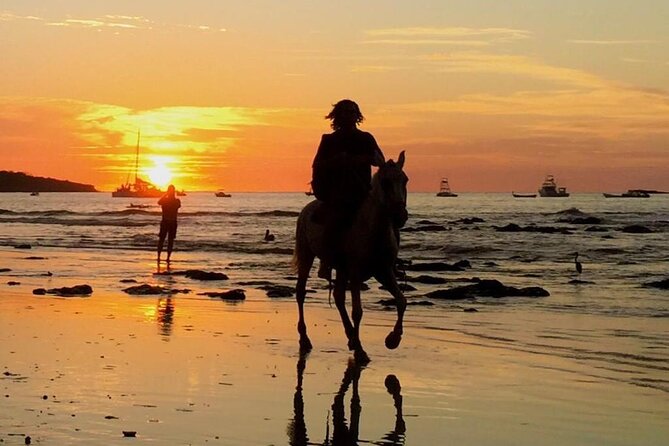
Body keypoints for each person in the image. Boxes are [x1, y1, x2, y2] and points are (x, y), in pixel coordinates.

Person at [311, 99, 385, 278]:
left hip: (363, 190)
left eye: (352, 112)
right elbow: (317, 165)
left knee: (386, 219)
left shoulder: (366, 138)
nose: (349, 115)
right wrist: (336, 161)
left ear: (357, 115)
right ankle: (327, 261)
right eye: (345, 112)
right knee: (335, 221)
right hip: (338, 193)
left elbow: (380, 160)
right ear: (338, 116)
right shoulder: (329, 140)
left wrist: (362, 159)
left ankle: (387, 260)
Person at [157, 184, 181, 266]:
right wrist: (166, 195)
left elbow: (159, 202)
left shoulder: (176, 201)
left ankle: (166, 257)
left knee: (167, 240)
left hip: (170, 222)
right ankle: (161, 257)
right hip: (167, 222)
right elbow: (159, 202)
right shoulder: (172, 201)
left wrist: (166, 194)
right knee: (163, 240)